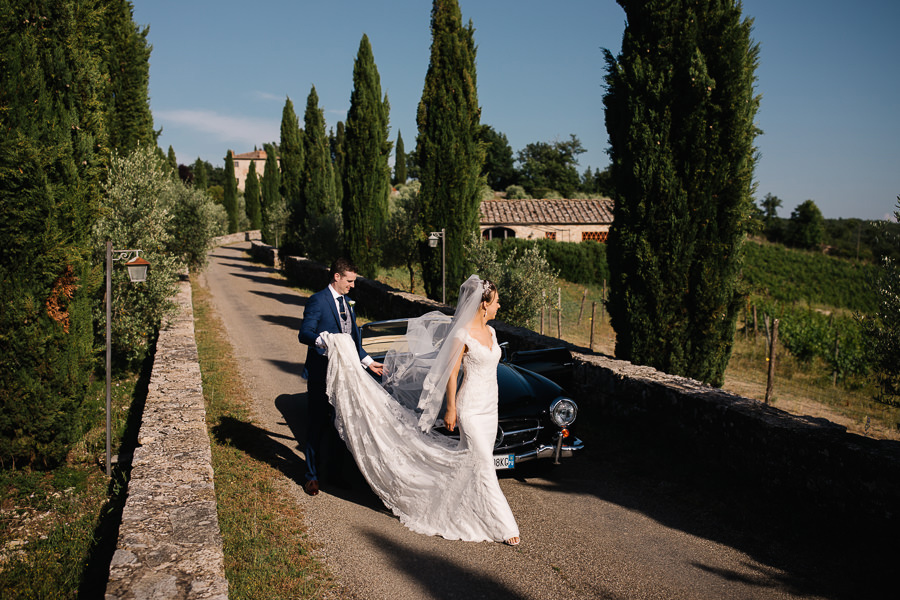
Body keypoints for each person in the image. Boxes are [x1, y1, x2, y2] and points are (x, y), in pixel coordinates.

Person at [321, 275, 520, 545]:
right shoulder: (462, 334)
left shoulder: (493, 333)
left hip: (490, 406)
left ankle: (453, 503)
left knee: (471, 461)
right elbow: (451, 373)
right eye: (496, 302)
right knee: (483, 462)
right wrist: (451, 408)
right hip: (471, 407)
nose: (499, 306)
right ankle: (504, 526)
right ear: (483, 304)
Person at [298, 258, 383, 497]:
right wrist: (324, 341)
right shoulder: (317, 300)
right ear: (337, 277)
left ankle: (334, 474)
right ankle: (312, 477)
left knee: (340, 425)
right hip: (321, 374)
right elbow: (304, 333)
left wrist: (368, 362)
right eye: (349, 280)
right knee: (316, 425)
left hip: (345, 377)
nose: (352, 286)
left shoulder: (348, 303)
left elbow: (353, 339)